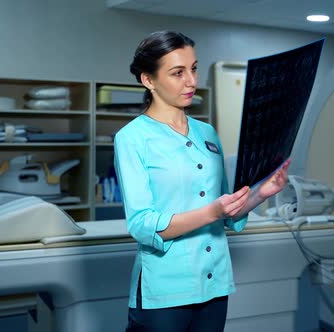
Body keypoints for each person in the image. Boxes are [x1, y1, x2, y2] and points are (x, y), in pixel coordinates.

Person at [114, 31, 290, 332]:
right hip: (165, 289)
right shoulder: (132, 138)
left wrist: (263, 192)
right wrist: (212, 212)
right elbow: (142, 224)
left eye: (193, 69)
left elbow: (226, 208)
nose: (192, 81)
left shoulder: (207, 133)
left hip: (214, 283)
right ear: (148, 80)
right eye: (177, 73)